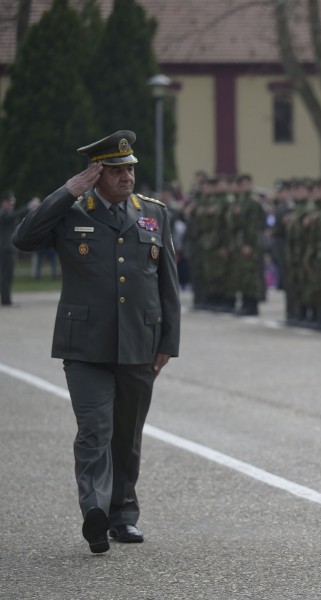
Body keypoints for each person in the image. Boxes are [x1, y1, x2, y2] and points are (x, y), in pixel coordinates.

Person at [12, 130, 181, 552]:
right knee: (95, 429)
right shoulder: (71, 210)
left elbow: (168, 283)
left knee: (127, 434)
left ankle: (123, 515)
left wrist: (169, 342)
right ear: (97, 172)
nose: (128, 176)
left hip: (140, 342)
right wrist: (67, 191)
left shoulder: (153, 214)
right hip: (85, 345)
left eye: (131, 168)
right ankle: (95, 510)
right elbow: (23, 239)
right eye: (118, 170)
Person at [0, 192, 30, 306]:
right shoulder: (3, 213)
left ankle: (6, 298)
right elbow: (13, 216)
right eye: (9, 202)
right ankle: (6, 300)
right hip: (6, 249)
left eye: (12, 203)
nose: (11, 205)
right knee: (6, 275)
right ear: (4, 202)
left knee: (8, 275)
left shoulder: (9, 213)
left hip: (10, 248)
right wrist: (27, 207)